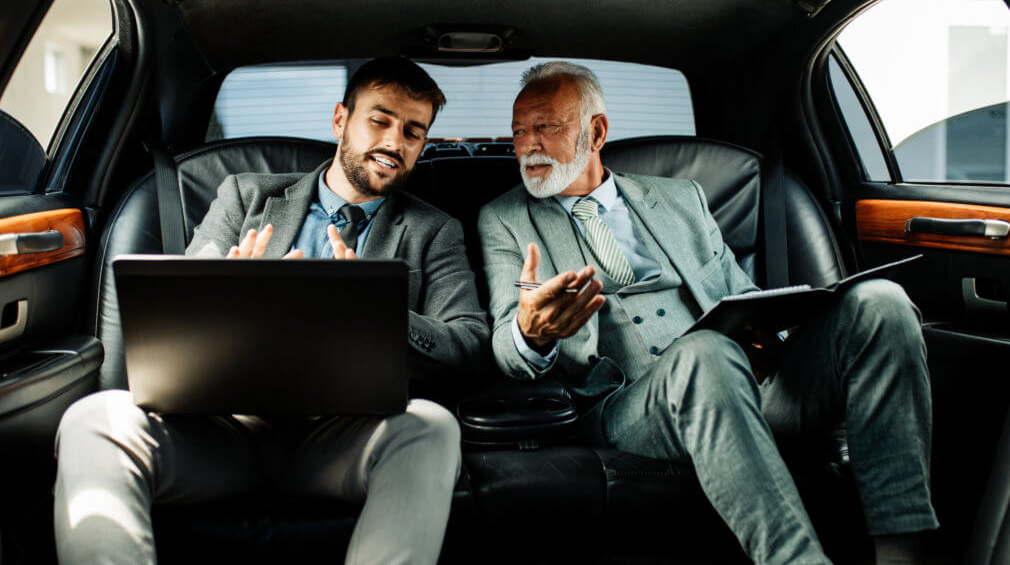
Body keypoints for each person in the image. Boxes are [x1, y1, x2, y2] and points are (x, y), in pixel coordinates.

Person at [478, 61, 937, 565]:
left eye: (545, 126)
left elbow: (742, 296)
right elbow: (506, 337)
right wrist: (532, 332)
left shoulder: (682, 199)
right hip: (630, 406)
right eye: (519, 131)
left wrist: (773, 337)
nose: (528, 145)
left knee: (882, 303)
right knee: (703, 353)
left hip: (744, 380)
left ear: (597, 131)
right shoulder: (503, 217)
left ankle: (901, 553)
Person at [54, 57, 489, 565]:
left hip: (346, 438)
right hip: (222, 432)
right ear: (339, 121)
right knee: (92, 418)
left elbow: (469, 342)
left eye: (413, 132)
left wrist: (378, 311)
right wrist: (223, 288)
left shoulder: (434, 230)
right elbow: (180, 302)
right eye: (380, 120)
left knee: (433, 427)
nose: (395, 142)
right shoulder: (245, 195)